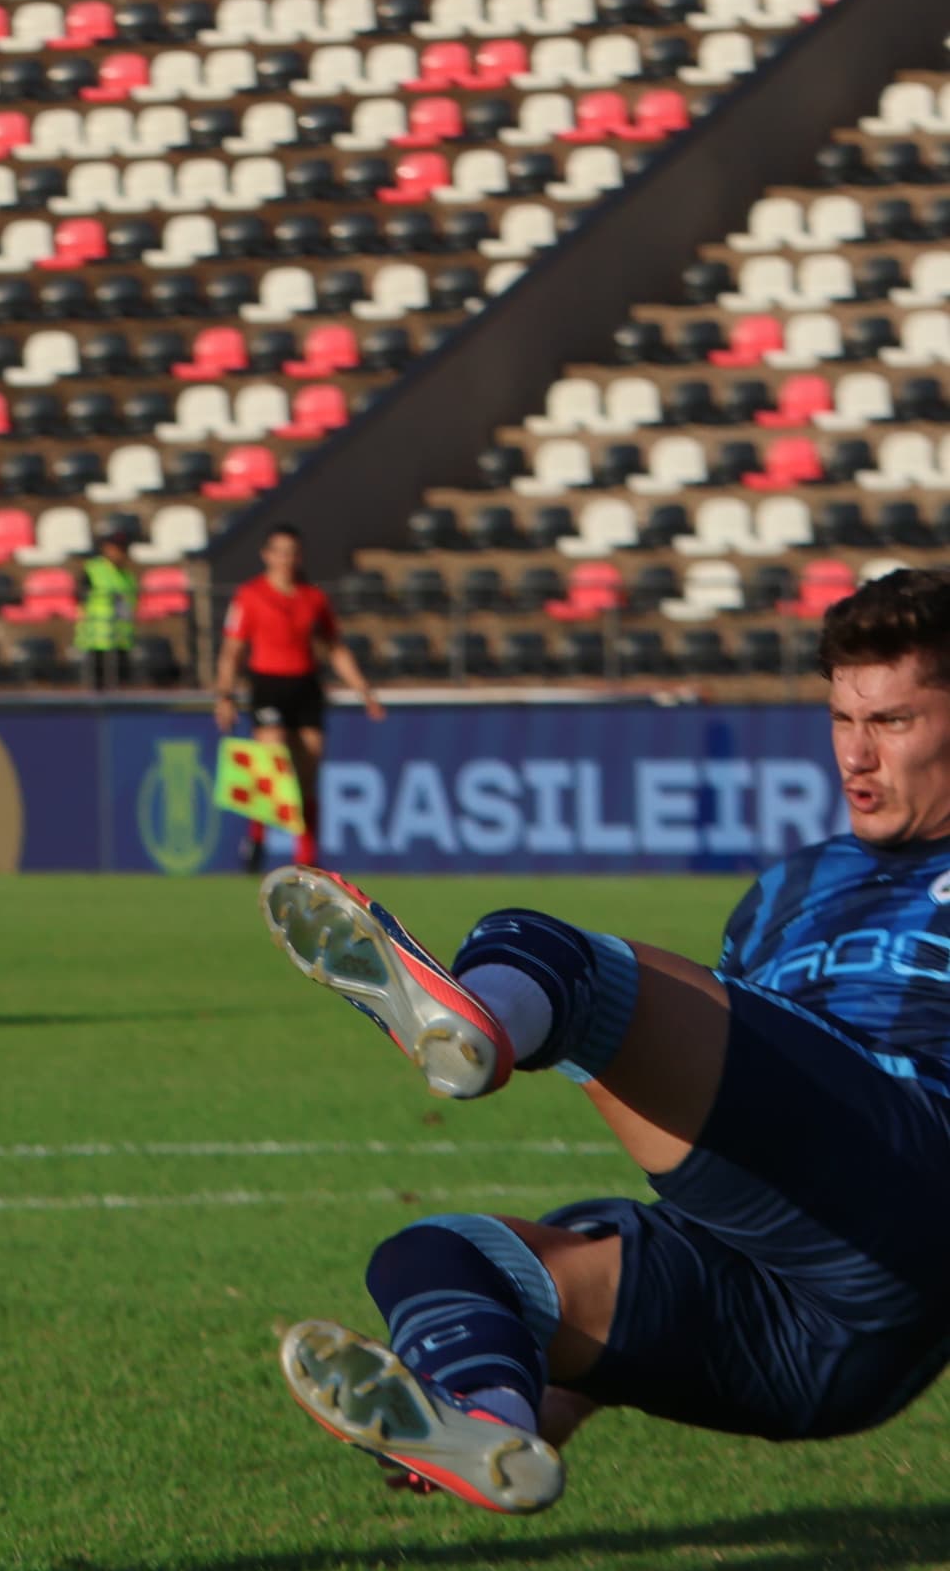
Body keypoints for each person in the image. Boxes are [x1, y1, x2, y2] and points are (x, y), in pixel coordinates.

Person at [256, 565, 950, 1516]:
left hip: (911, 1188)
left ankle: (484, 1029)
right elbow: (740, 1094)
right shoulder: (793, 887)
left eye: (894, 723)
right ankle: (491, 1424)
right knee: (442, 1259)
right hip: (816, 1350)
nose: (855, 756)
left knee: (556, 956)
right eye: (842, 720)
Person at [211, 522, 382, 870]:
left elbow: (334, 648)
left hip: (305, 686)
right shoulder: (250, 595)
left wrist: (364, 691)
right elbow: (232, 650)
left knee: (307, 773)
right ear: (267, 555)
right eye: (280, 552)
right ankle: (257, 837)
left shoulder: (313, 598)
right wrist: (225, 695)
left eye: (292, 553)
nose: (286, 559)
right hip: (268, 684)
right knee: (272, 761)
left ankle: (306, 858)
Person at [77, 520, 137, 694]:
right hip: (97, 643)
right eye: (115, 547)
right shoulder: (92, 570)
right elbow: (80, 603)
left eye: (123, 548)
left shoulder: (128, 576)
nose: (120, 552)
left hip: (120, 641)